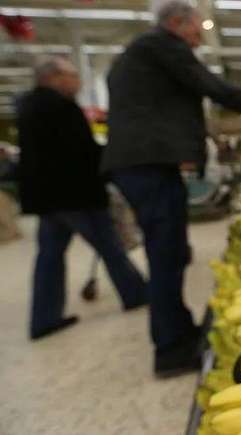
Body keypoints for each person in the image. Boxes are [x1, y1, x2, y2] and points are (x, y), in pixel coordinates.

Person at [103, 1, 241, 377]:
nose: (199, 38)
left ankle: (180, 331)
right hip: (149, 165)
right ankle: (171, 350)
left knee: (170, 251)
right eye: (197, 30)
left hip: (141, 164)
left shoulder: (137, 56)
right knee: (166, 253)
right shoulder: (161, 46)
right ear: (177, 23)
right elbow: (215, 89)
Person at [15, 57, 147, 340]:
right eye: (72, 75)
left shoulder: (28, 109)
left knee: (49, 257)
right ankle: (136, 293)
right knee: (109, 244)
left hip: (46, 198)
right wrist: (110, 169)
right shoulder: (61, 108)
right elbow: (81, 154)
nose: (77, 81)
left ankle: (43, 318)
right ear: (53, 77)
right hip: (75, 194)